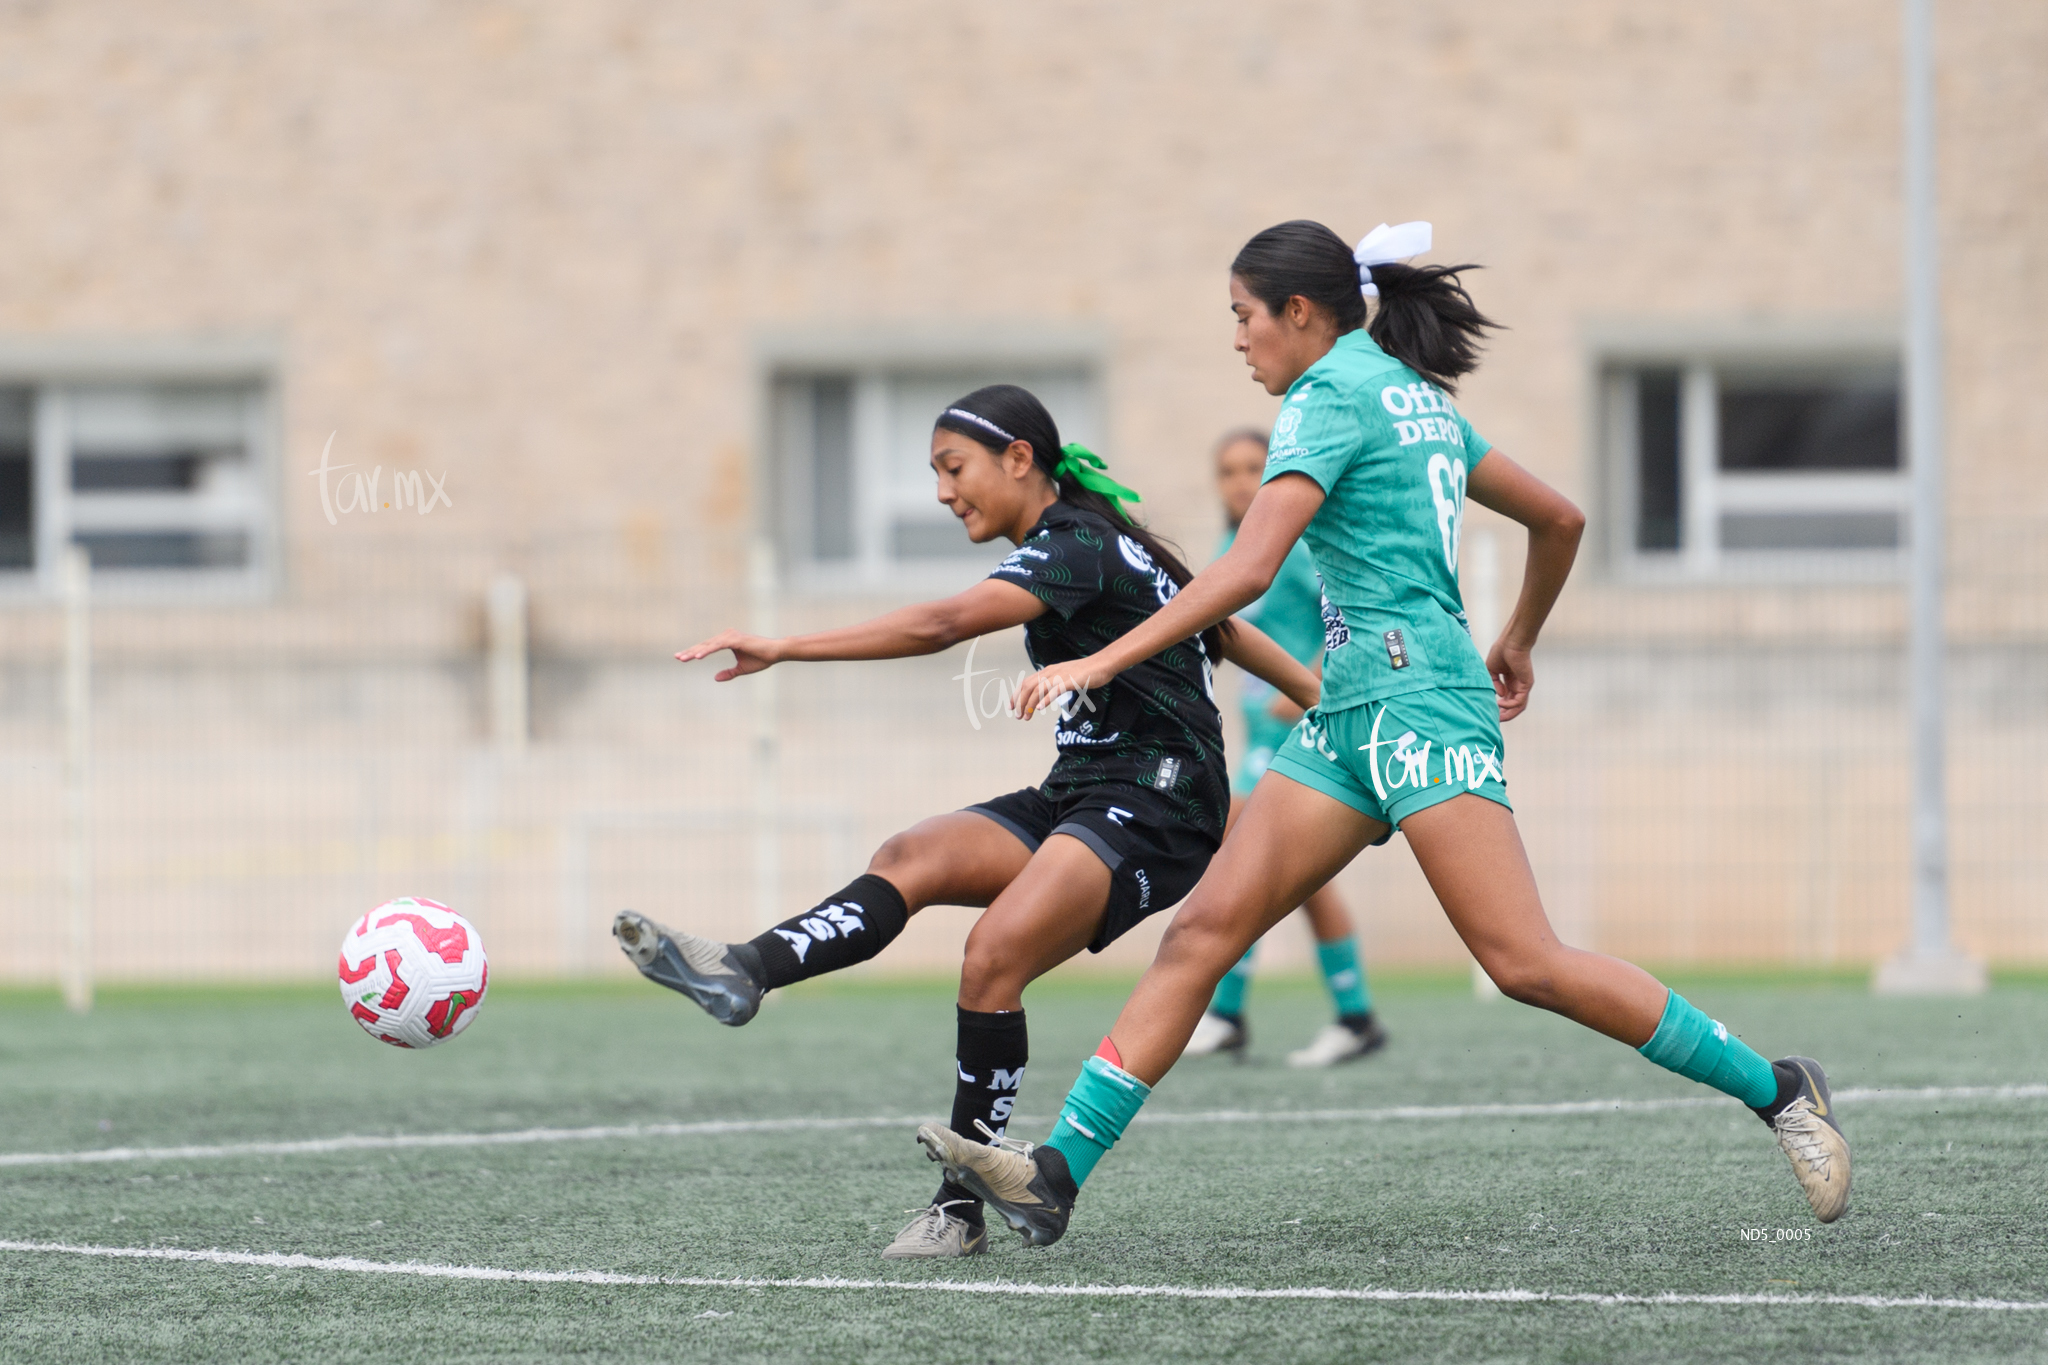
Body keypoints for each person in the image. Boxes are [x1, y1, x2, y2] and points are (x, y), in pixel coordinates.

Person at [913, 220, 1852, 1249]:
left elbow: (1245, 572)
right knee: (1202, 932)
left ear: (1299, 315)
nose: (1236, 341)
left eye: (1241, 317)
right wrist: (1517, 639)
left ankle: (1779, 1088)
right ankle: (1056, 1177)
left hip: (1419, 710)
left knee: (1522, 963)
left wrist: (1099, 657)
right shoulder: (1412, 394)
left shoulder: (1328, 396)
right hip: (1349, 715)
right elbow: (1562, 520)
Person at [612, 383, 1320, 1260]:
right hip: (1086, 785)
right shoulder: (1112, 545)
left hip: (1162, 799)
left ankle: (960, 1207)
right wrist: (1323, 697)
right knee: (915, 854)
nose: (944, 494)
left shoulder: (1079, 544)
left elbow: (944, 622)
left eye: (954, 469)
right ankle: (747, 970)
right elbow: (1225, 627)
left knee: (994, 951)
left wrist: (784, 644)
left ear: (1020, 458)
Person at [1185, 427, 1384, 1067]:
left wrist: (1312, 675)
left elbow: (1351, 611)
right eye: (1228, 471)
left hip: (1298, 731)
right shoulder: (1229, 548)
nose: (1241, 480)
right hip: (1260, 737)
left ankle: (1227, 1013)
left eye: (1253, 466)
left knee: (1244, 853)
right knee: (1298, 879)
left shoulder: (1291, 545)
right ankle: (1353, 1016)